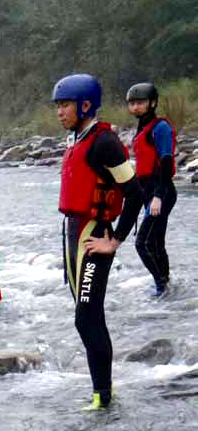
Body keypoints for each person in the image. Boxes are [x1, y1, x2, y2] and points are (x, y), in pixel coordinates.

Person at [52, 73, 146, 410]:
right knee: (86, 315)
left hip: (95, 235)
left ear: (85, 105)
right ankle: (102, 393)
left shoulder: (105, 143)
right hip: (75, 233)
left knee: (87, 317)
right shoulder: (77, 138)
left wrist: (116, 240)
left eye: (65, 105)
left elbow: (136, 193)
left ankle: (102, 398)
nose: (59, 111)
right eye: (58, 105)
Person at [127, 82, 177, 297]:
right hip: (149, 193)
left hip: (162, 192)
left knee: (143, 243)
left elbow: (166, 162)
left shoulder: (160, 128)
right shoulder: (142, 129)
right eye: (132, 103)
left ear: (152, 103)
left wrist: (157, 197)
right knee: (156, 242)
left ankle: (160, 287)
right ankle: (166, 282)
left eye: (140, 103)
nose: (136, 107)